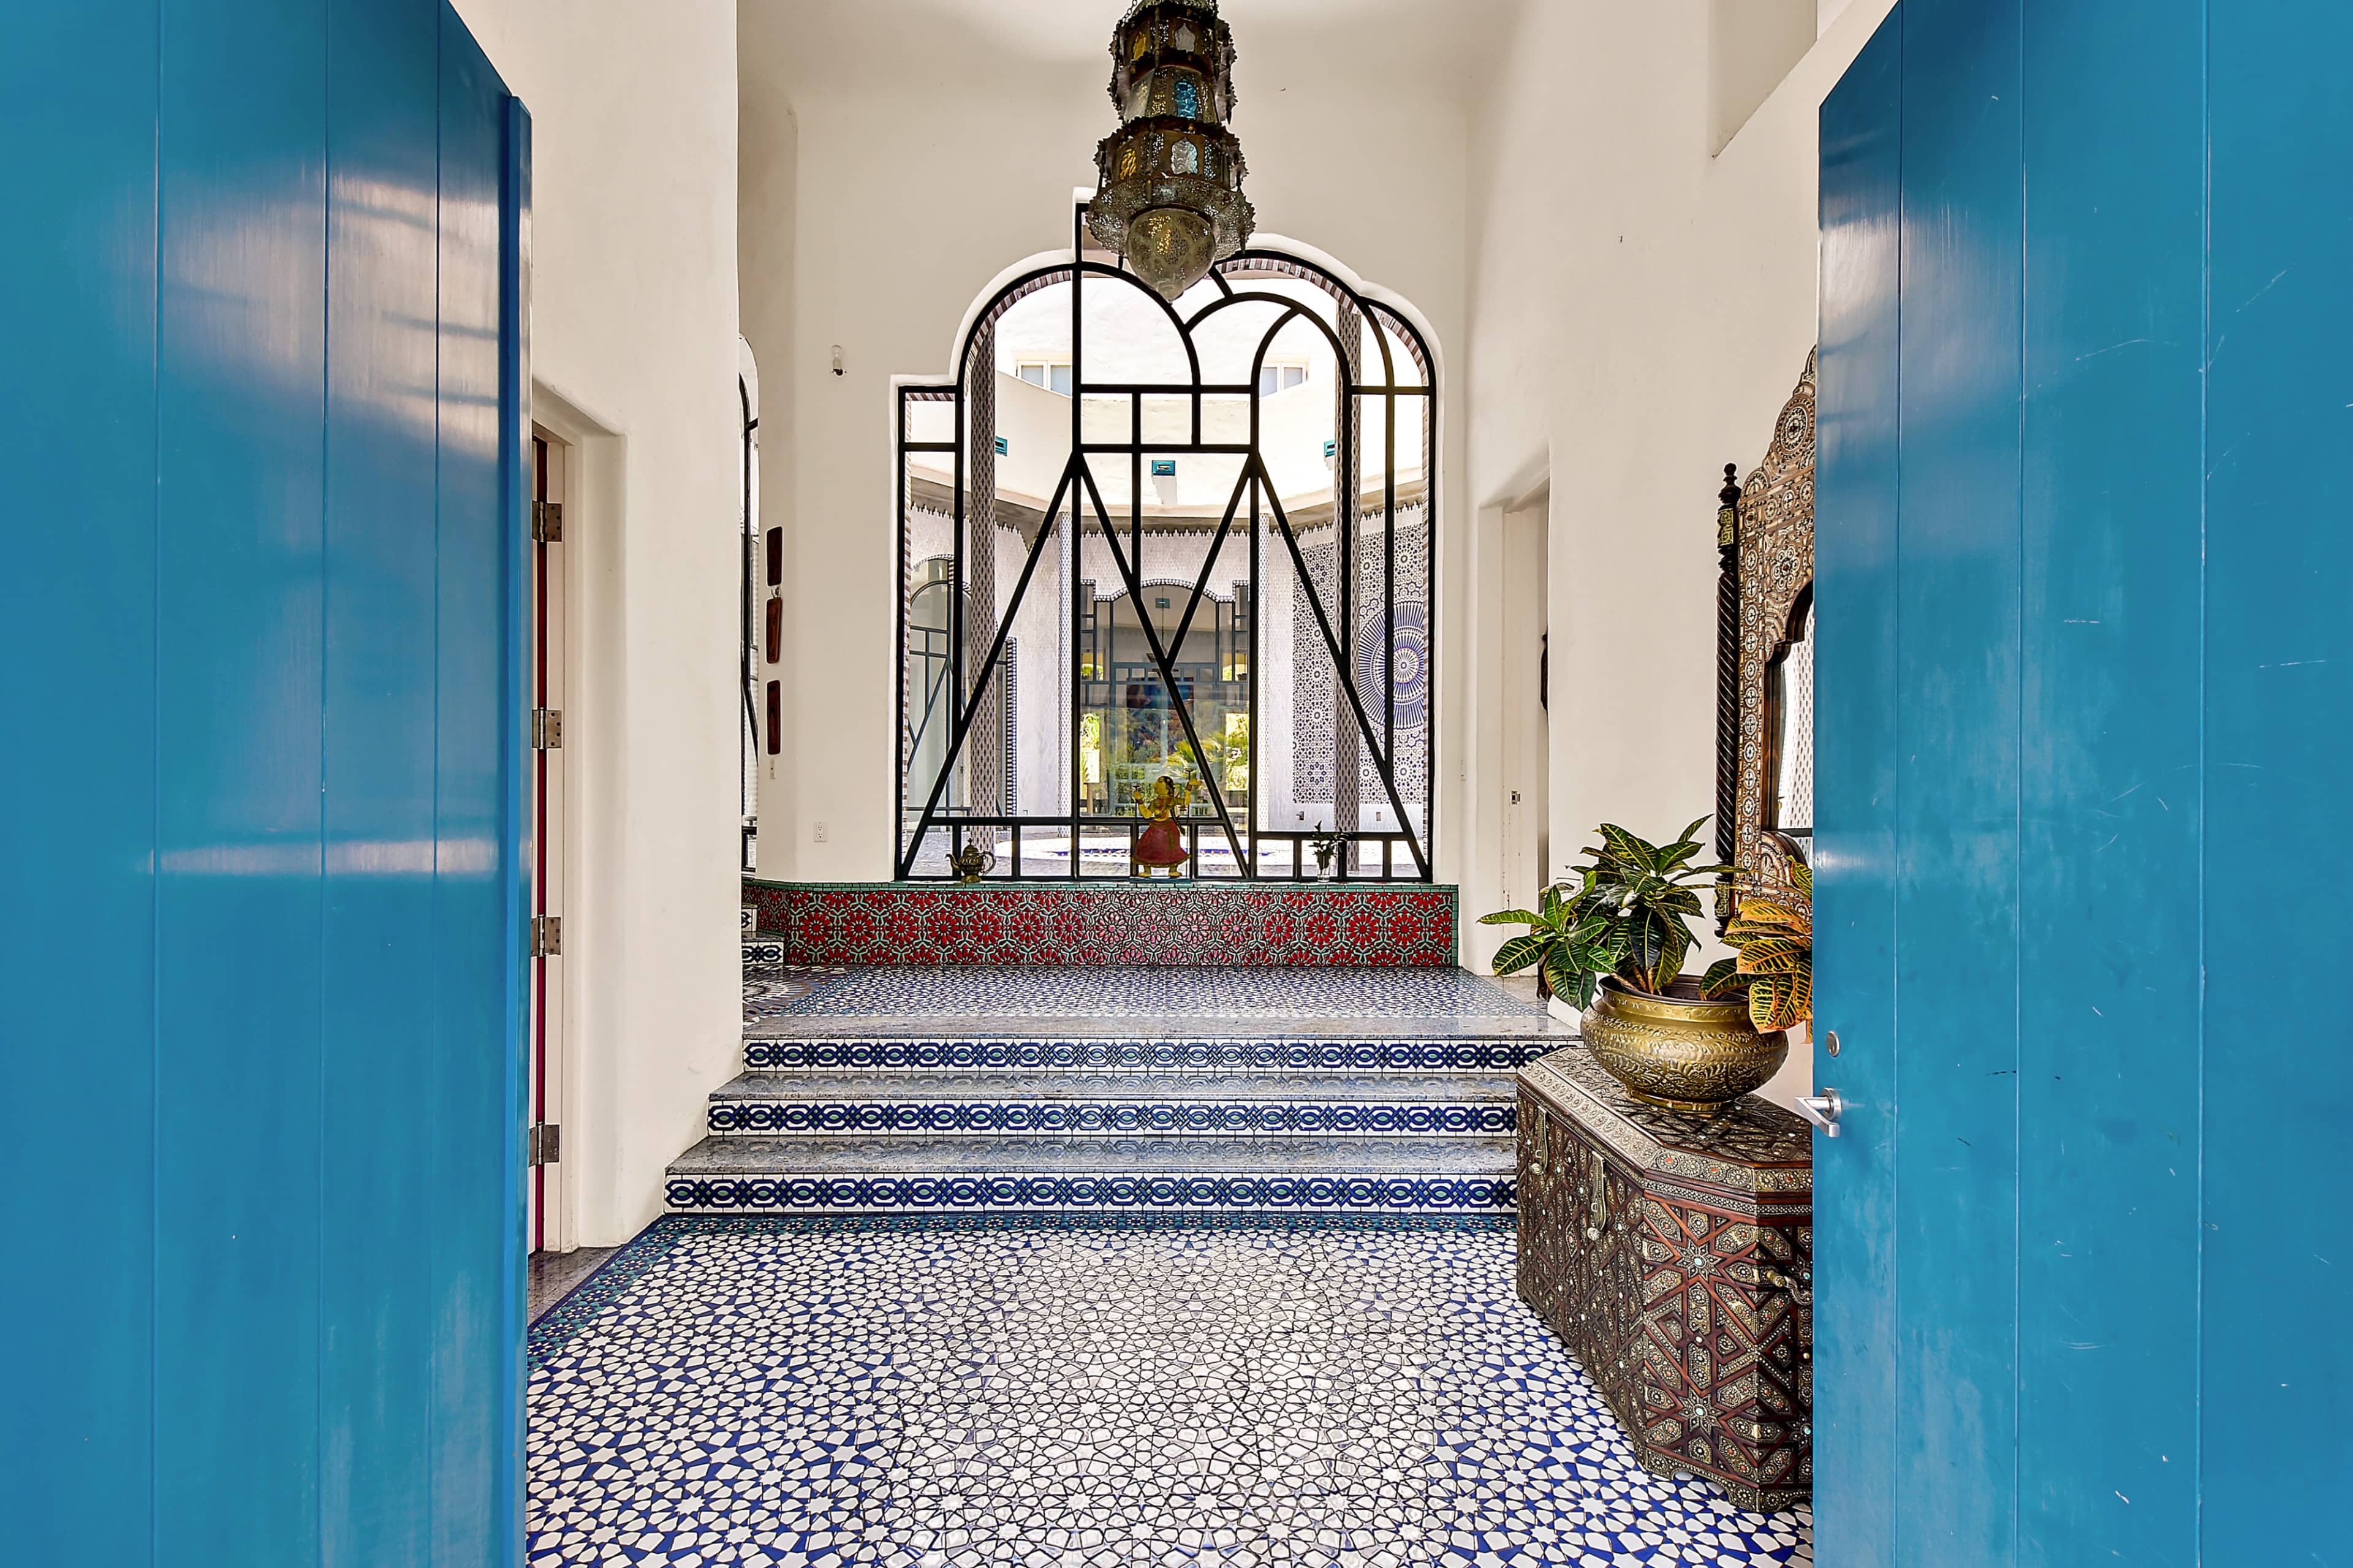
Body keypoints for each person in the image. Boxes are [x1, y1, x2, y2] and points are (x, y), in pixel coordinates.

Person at [1131, 772, 1197, 877]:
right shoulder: (1155, 802)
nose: (1157, 784)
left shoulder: (1172, 800)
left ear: (1168, 787)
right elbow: (1147, 815)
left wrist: (1189, 787)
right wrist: (1140, 801)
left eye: (1160, 782)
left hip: (1169, 828)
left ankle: (1173, 869)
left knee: (1172, 848)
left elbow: (1185, 801)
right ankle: (1147, 870)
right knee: (1146, 845)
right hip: (1155, 827)